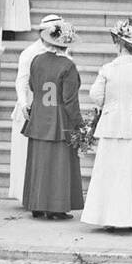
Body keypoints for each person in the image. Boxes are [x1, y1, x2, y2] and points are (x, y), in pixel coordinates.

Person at [82, 21, 132, 230]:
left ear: (121, 45)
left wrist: (109, 105)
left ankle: (109, 218)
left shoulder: (108, 69)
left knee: (110, 173)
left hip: (112, 125)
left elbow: (95, 95)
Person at [22, 19, 84, 220]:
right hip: (59, 118)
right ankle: (56, 207)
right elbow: (69, 100)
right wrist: (79, 124)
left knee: (39, 162)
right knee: (59, 164)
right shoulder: (68, 65)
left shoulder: (36, 60)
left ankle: (36, 204)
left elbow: (32, 86)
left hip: (39, 115)